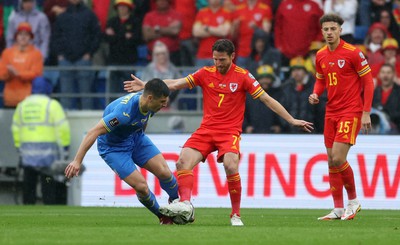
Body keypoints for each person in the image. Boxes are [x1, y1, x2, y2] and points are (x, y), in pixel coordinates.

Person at [124, 39, 314, 226]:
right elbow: (175, 83)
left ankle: (236, 215)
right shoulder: (206, 73)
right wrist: (147, 86)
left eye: (222, 60)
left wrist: (291, 120)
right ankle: (186, 205)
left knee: (231, 166)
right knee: (183, 161)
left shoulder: (243, 76)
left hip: (229, 132)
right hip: (206, 130)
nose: (218, 64)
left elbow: (266, 99)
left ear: (232, 56)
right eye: (215, 59)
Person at [64, 78, 179, 225]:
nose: (165, 105)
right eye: (162, 101)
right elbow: (92, 132)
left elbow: (144, 118)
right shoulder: (123, 114)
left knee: (164, 172)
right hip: (114, 148)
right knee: (141, 187)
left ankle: (178, 204)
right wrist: (77, 161)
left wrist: (139, 135)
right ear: (150, 98)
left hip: (135, 137)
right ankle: (163, 216)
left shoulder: (151, 104)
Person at [308, 14, 374, 221]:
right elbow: (321, 80)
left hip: (350, 110)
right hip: (331, 111)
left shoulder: (353, 53)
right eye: (325, 29)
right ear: (322, 31)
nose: (329, 32)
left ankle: (353, 201)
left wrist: (365, 112)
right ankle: (337, 208)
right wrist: (316, 93)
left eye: (332, 29)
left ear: (340, 30)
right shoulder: (320, 55)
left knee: (338, 157)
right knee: (331, 160)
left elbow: (369, 82)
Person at [11, 77, 71, 205]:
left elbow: (15, 128)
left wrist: (18, 148)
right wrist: (65, 148)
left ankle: (28, 209)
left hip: (27, 153)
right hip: (48, 154)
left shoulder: (22, 105)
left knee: (29, 183)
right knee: (48, 182)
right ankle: (49, 208)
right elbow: (63, 128)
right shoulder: (52, 104)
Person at [52, 0, 101, 110]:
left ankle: (88, 122)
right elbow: (55, 36)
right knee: (65, 93)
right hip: (65, 59)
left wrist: (89, 53)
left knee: (86, 93)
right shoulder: (62, 16)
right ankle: (65, 122)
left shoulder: (90, 15)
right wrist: (60, 54)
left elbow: (96, 35)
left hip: (84, 59)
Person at [0, 22, 43, 108]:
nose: (23, 37)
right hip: (10, 99)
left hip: (28, 99)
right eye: (20, 34)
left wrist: (18, 73)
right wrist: (10, 74)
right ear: (16, 37)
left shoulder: (36, 54)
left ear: (30, 38)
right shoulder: (7, 53)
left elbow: (37, 74)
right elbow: (1, 74)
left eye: (26, 35)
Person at [243, 64, 283, 134]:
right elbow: (243, 113)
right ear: (258, 80)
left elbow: (283, 111)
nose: (265, 81)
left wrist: (280, 126)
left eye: (267, 78)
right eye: (262, 78)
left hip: (274, 134)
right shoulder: (249, 96)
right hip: (252, 134)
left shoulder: (279, 94)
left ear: (272, 80)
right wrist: (246, 126)